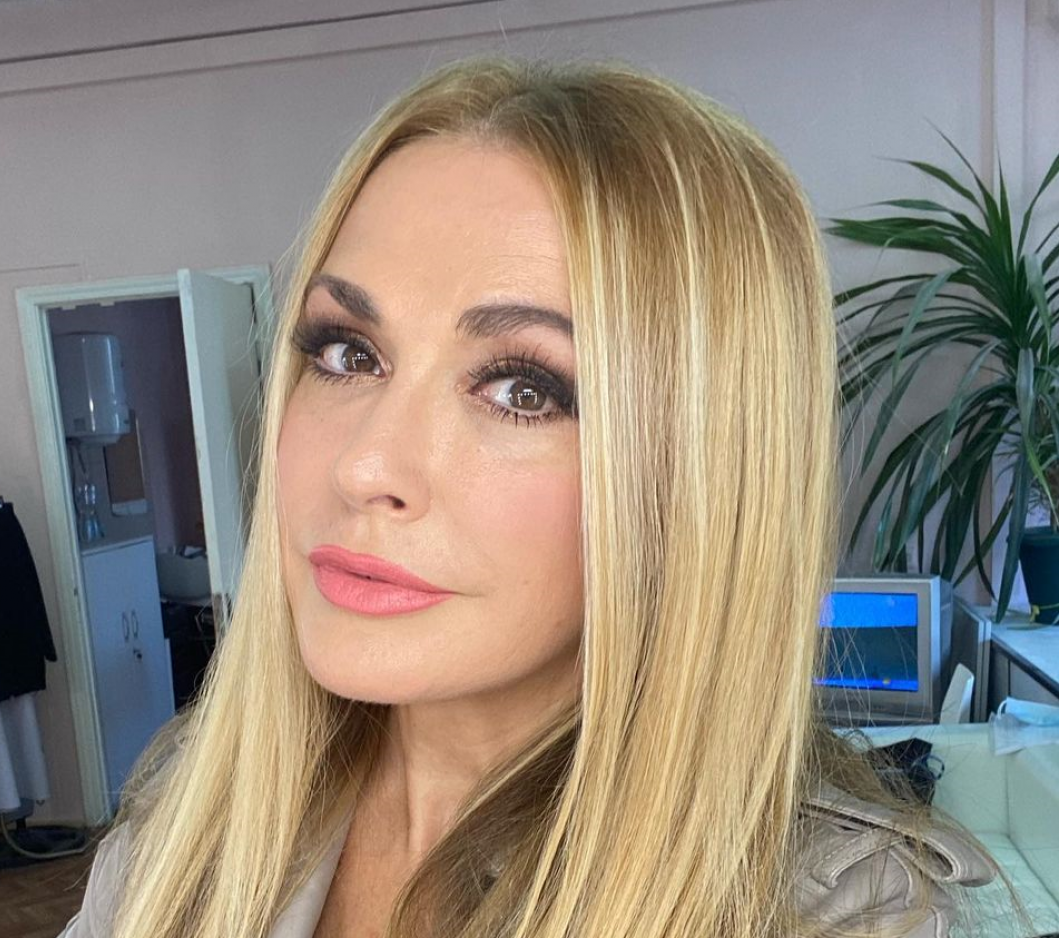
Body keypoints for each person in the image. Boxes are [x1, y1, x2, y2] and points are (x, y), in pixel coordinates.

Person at [58, 57, 1013, 938]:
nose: (364, 465)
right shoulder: (188, 818)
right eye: (348, 353)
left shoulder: (834, 912)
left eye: (523, 389)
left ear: (692, 477)